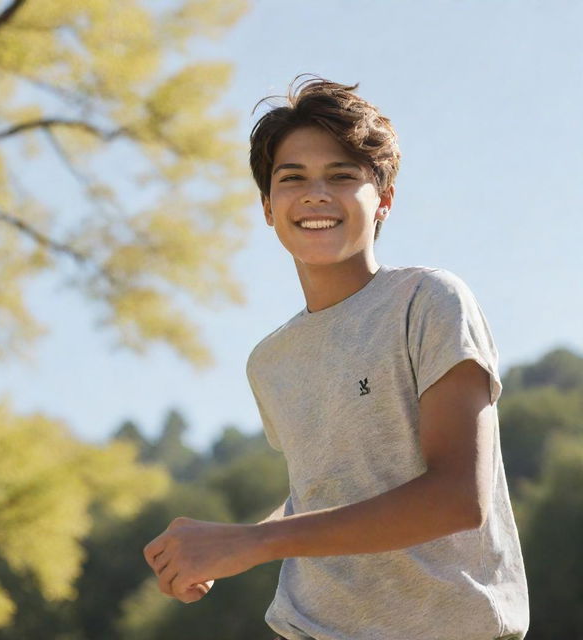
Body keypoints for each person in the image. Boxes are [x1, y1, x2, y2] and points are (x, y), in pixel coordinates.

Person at [143, 76, 530, 640]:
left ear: (384, 202)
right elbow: (326, 491)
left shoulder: (428, 301)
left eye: (342, 176)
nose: (315, 194)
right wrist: (222, 547)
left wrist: (252, 544)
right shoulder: (269, 361)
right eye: (291, 178)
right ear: (268, 207)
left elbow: (456, 499)